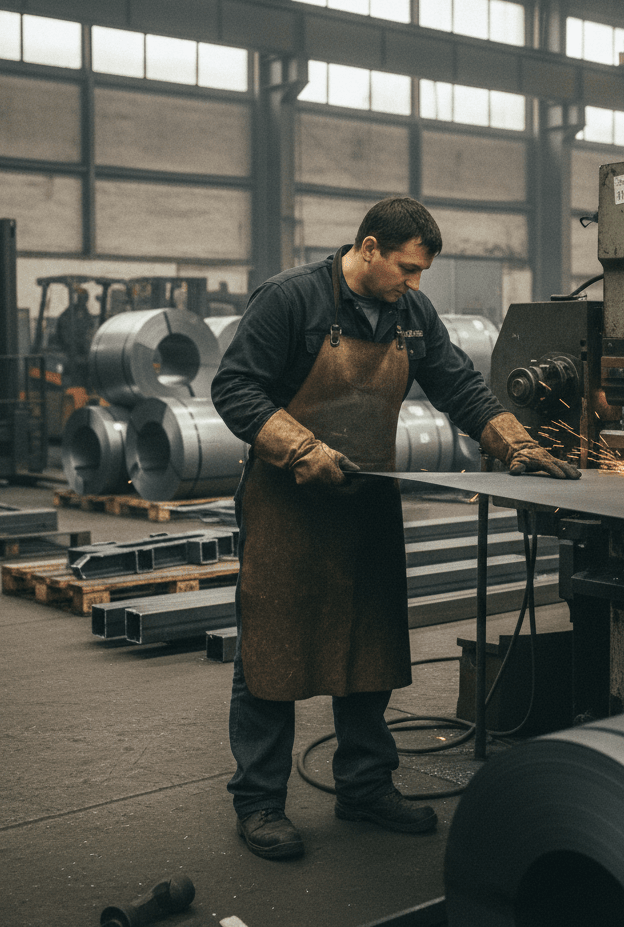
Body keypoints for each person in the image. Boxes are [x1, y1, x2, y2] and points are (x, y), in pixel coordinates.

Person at [211, 196, 579, 860]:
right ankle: (260, 803)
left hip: (366, 501)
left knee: (368, 643)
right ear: (370, 247)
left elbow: (458, 386)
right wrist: (301, 449)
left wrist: (514, 444)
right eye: (406, 269)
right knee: (274, 650)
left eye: (421, 274)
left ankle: (364, 785)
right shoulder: (290, 300)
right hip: (287, 502)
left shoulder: (412, 314)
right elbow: (236, 389)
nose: (414, 284)